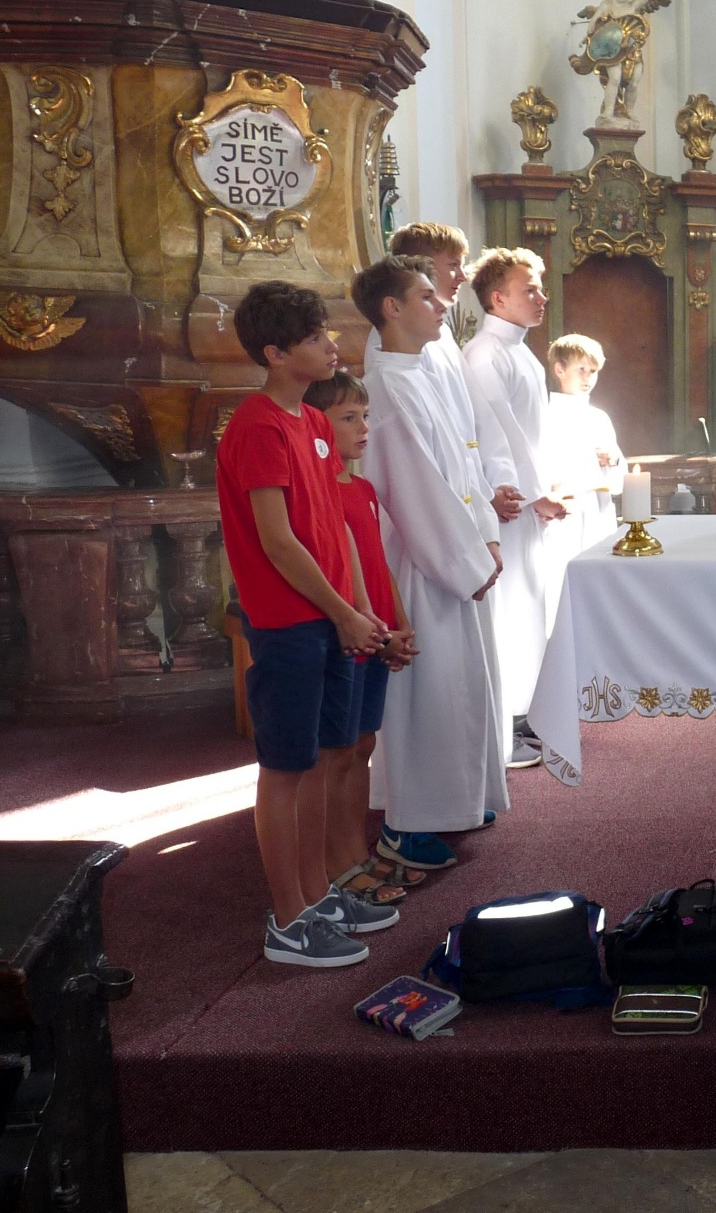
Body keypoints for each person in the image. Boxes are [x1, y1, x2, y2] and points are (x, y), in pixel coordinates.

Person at [216, 281, 395, 968]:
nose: (332, 345)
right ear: (275, 353)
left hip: (331, 615)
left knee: (324, 757)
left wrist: (358, 607)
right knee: (286, 768)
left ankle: (319, 894)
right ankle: (288, 919)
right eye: (316, 338)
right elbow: (278, 541)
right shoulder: (258, 427)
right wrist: (341, 610)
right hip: (289, 621)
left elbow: (333, 527)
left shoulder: (315, 424)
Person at [354, 258, 511, 869]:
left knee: (460, 684)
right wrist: (467, 560)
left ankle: (456, 802)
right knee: (427, 693)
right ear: (391, 308)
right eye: (426, 296)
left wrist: (486, 537)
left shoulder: (421, 372)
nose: (442, 303)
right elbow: (415, 491)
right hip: (419, 563)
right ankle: (408, 822)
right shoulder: (386, 388)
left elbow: (464, 464)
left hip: (454, 552)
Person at [303, 371, 422, 907]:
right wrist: (370, 627)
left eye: (366, 416)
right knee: (339, 752)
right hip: (350, 634)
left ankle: (357, 852)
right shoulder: (318, 489)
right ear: (316, 425)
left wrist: (400, 622)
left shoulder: (364, 488)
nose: (364, 427)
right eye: (349, 418)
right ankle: (337, 863)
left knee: (364, 746)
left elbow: (377, 561)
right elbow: (337, 573)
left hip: (377, 631)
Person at [463, 247, 568, 768]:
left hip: (526, 503)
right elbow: (495, 433)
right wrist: (529, 493)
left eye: (540, 288)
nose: (541, 297)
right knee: (509, 613)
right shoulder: (486, 354)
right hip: (507, 506)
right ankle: (504, 721)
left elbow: (531, 430)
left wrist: (547, 485)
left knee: (530, 607)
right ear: (498, 298)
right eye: (530, 289)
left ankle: (523, 712)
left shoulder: (520, 350)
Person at [377, 223, 524, 533]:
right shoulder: (399, 342)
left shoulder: (440, 333)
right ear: (421, 267)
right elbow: (435, 442)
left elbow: (478, 417)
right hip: (442, 506)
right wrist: (485, 495)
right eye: (453, 265)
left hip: (475, 490)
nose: (463, 276)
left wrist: (498, 480)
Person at [545, 333, 627, 557]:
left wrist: (613, 460)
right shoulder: (545, 416)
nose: (587, 377)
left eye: (593, 371)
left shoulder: (599, 418)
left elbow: (620, 479)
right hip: (565, 513)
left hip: (599, 513)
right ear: (559, 370)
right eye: (581, 369)